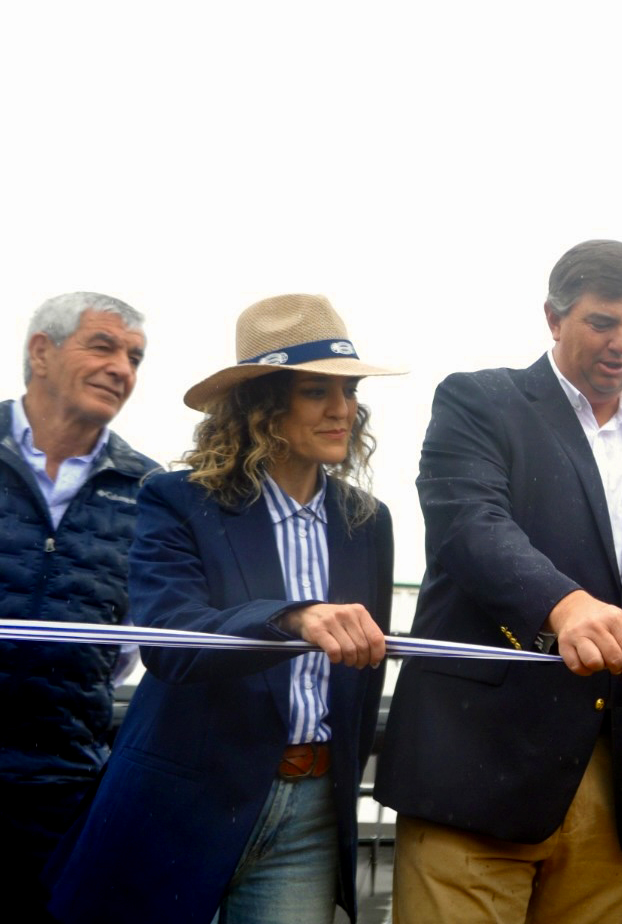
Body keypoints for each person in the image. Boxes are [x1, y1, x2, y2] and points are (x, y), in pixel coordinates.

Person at [47, 293, 401, 924]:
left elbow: (362, 671)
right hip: (184, 801)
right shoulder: (179, 499)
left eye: (349, 392)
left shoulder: (367, 523)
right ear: (263, 404)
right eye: (317, 392)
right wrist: (292, 616)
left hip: (313, 814)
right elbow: (169, 642)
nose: (343, 410)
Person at [376, 240, 622, 924]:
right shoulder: (478, 401)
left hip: (621, 793)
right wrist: (565, 605)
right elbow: (469, 527)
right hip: (476, 772)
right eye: (602, 322)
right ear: (553, 318)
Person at [0, 291, 156, 922]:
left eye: (135, 357)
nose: (123, 368)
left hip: (61, 789)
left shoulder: (149, 489)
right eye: (103, 346)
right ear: (42, 351)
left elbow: (129, 646)